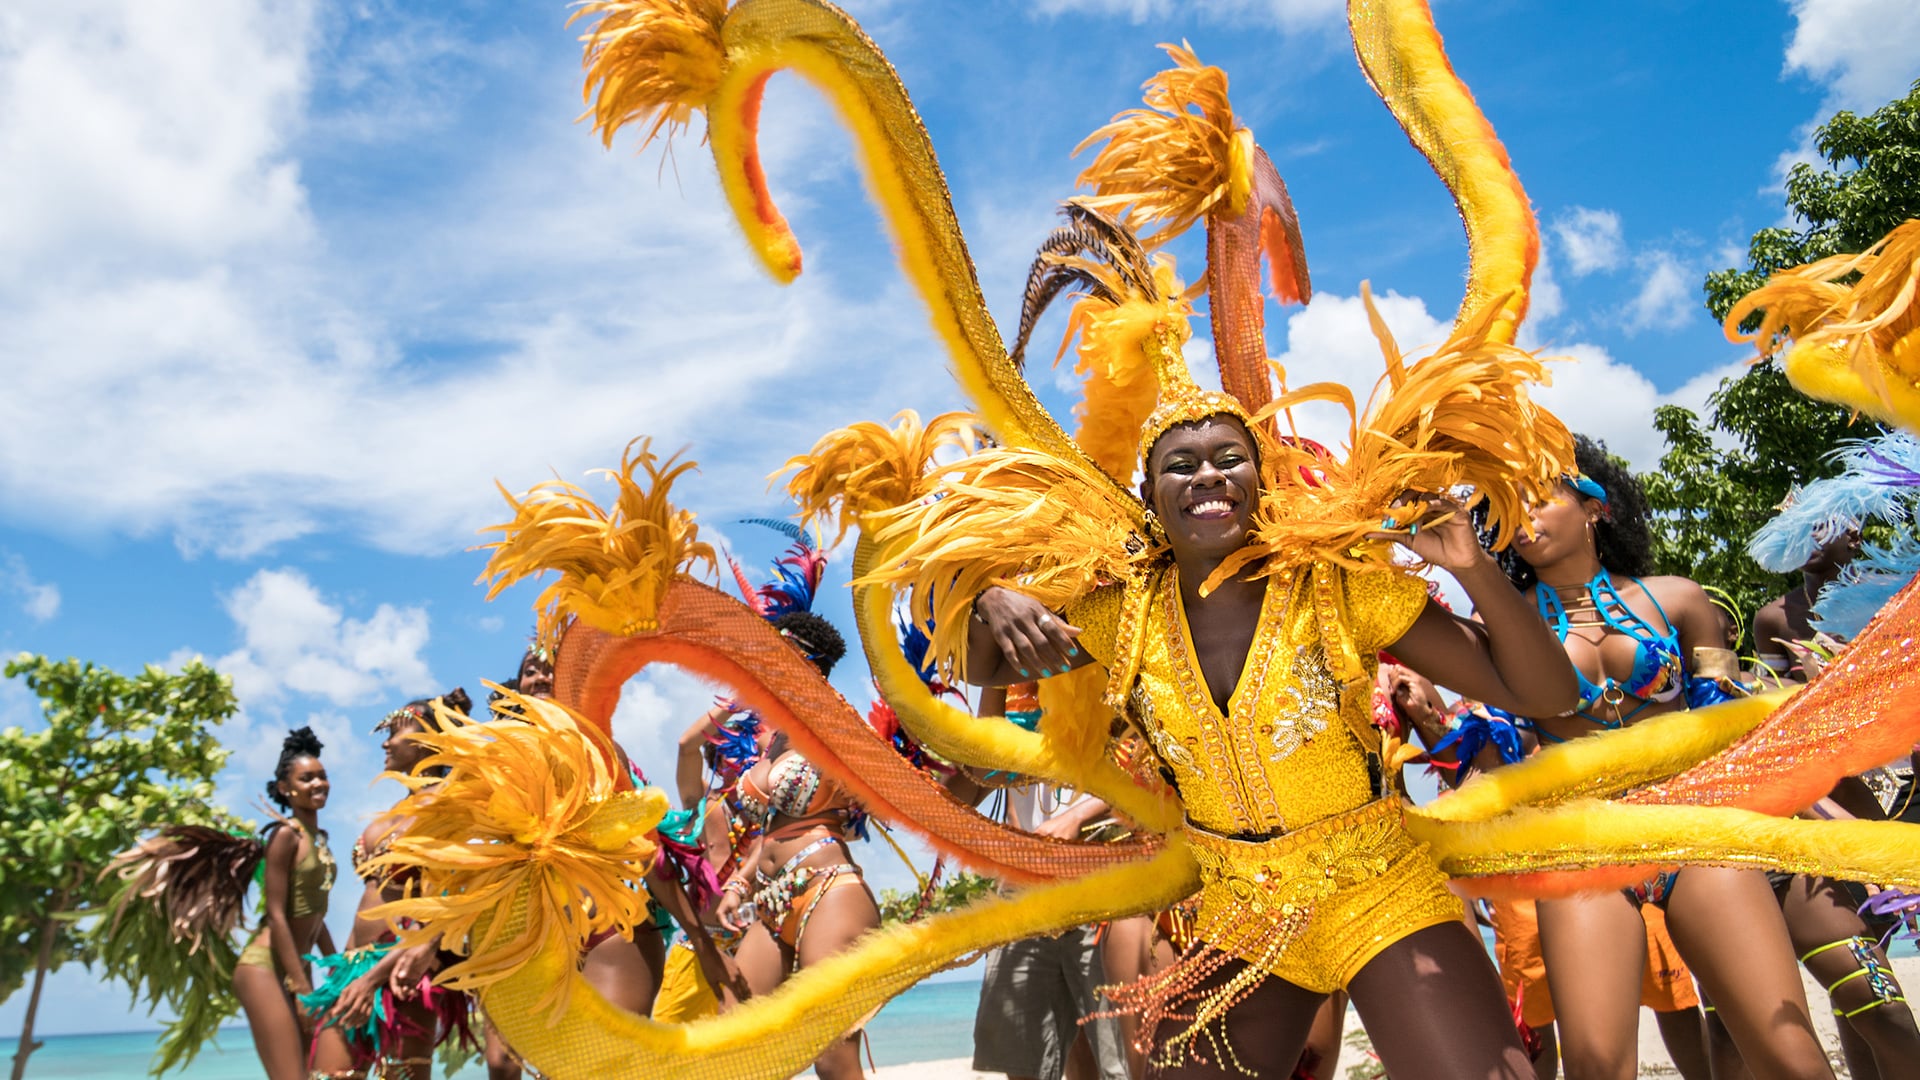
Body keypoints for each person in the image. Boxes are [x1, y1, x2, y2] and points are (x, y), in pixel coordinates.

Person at [956, 396, 1580, 1077]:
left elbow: (1547, 695)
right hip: (1241, 916)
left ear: (1263, 482)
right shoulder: (1121, 616)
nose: (1207, 476)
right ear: (1150, 497)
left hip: (1375, 892)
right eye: (1181, 465)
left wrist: (1472, 567)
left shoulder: (1339, 589)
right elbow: (975, 661)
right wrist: (989, 599)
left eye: (1230, 460)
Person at [1495, 435, 1835, 1080]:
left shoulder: (1677, 599)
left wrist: (1815, 811)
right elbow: (1506, 745)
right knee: (1597, 1068)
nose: (1522, 518)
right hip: (1581, 843)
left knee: (1792, 1059)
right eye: (1504, 509)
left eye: (1537, 497)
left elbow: (1726, 725)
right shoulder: (1502, 625)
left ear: (1596, 507)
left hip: (1693, 829)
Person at [710, 610, 878, 1080]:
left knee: (831, 1054)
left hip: (829, 891)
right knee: (735, 1042)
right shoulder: (776, 739)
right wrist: (739, 885)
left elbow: (885, 791)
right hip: (771, 897)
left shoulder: (836, 725)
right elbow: (771, 831)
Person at [230, 727, 358, 1080]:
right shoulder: (285, 835)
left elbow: (316, 915)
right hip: (264, 969)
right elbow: (276, 914)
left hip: (296, 972)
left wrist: (338, 970)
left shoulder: (321, 839)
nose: (318, 784)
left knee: (330, 1071)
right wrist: (302, 989)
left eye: (322, 776)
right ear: (286, 789)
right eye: (306, 778)